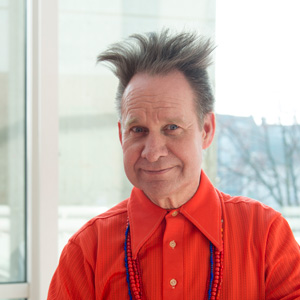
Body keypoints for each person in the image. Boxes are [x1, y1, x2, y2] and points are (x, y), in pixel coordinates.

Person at [47, 30, 300, 299]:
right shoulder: (87, 251)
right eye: (138, 130)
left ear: (206, 129)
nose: (153, 152)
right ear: (121, 134)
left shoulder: (264, 234)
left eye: (171, 127)